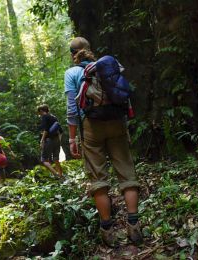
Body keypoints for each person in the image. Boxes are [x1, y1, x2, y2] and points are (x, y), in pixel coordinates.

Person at [64, 37, 143, 247]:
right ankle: (134, 227)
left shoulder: (72, 73)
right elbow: (122, 96)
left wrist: (72, 138)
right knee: (127, 173)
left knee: (98, 179)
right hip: (116, 122)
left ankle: (108, 231)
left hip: (90, 127)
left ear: (73, 54)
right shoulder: (106, 67)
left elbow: (72, 108)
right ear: (89, 50)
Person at [37, 104, 63, 178]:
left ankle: (56, 175)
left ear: (41, 111)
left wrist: (42, 141)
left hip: (49, 140)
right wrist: (59, 140)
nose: (39, 115)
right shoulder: (54, 117)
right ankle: (61, 176)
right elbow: (61, 131)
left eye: (39, 113)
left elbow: (45, 130)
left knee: (44, 160)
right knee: (56, 159)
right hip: (57, 139)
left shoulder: (45, 117)